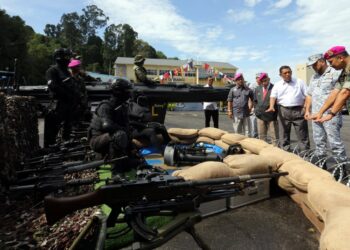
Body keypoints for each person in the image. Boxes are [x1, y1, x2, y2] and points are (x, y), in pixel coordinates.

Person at [88, 78, 143, 174]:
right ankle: (115, 168)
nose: (129, 93)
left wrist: (131, 149)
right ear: (118, 92)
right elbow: (107, 126)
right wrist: (124, 130)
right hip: (97, 141)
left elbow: (126, 127)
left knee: (126, 133)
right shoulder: (106, 106)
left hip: (110, 139)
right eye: (126, 91)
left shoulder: (122, 107)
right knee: (120, 134)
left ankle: (124, 160)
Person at [304, 53, 347, 166]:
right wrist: (307, 110)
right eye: (311, 66)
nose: (313, 67)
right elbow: (309, 95)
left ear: (322, 61)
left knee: (335, 143)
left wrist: (333, 110)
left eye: (314, 64)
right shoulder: (314, 77)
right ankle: (321, 165)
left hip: (330, 115)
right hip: (315, 115)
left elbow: (341, 93)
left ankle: (342, 166)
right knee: (319, 141)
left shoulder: (336, 73)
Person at [266, 65, 309, 151]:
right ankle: (286, 154)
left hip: (299, 111)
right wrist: (271, 106)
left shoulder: (299, 82)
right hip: (283, 111)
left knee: (302, 135)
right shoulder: (277, 85)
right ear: (280, 75)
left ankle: (306, 155)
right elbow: (273, 96)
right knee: (283, 135)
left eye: (289, 72)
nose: (288, 74)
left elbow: (308, 95)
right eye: (285, 73)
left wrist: (306, 108)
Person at [44, 48, 80, 147]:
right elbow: (53, 86)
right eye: (67, 57)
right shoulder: (52, 70)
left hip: (69, 105)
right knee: (53, 129)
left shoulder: (67, 72)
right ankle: (50, 148)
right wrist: (67, 94)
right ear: (59, 58)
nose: (69, 59)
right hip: (58, 105)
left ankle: (65, 147)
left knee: (67, 129)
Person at [313, 46, 350, 123]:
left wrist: (331, 114)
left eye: (331, 62)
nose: (330, 65)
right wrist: (320, 112)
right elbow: (335, 91)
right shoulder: (345, 71)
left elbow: (345, 92)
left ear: (340, 58)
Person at [254, 73, 278, 145]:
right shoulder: (257, 88)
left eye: (265, 80)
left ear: (269, 79)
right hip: (260, 115)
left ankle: (275, 150)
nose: (264, 83)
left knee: (274, 136)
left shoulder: (275, 88)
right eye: (262, 81)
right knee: (262, 135)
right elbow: (255, 101)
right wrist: (256, 110)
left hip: (272, 116)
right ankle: (263, 150)